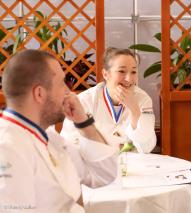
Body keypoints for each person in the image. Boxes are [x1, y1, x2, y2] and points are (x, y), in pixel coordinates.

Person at [0, 49, 118, 212]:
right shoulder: (7, 148)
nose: (68, 91)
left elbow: (104, 174)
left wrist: (83, 121)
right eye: (62, 83)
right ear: (39, 93)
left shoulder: (50, 137)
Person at [61, 47, 156, 153]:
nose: (129, 79)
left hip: (132, 165)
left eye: (133, 72)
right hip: (95, 165)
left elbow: (147, 147)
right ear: (106, 74)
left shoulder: (143, 99)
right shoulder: (86, 100)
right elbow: (69, 143)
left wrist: (134, 110)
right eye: (121, 71)